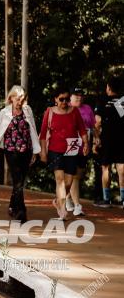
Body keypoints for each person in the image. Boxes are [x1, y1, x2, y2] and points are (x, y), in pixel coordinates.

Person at [0, 85, 40, 224]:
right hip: (11, 151)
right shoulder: (4, 112)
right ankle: (21, 211)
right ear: (11, 98)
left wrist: (35, 151)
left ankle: (12, 205)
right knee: (18, 180)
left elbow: (33, 131)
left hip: (26, 150)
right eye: (17, 99)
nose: (20, 102)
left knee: (20, 182)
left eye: (22, 99)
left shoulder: (27, 110)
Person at [39, 88, 89, 219]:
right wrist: (43, 151)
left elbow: (82, 129)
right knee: (60, 180)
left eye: (67, 99)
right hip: (55, 150)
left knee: (69, 181)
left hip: (72, 148)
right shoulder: (49, 112)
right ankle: (62, 211)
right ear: (55, 99)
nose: (65, 102)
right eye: (61, 99)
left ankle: (58, 200)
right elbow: (43, 134)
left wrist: (86, 143)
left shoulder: (74, 111)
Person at [94, 76, 124, 208]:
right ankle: (123, 199)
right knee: (121, 168)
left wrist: (96, 140)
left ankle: (106, 199)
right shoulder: (122, 101)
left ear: (108, 88)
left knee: (105, 167)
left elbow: (98, 121)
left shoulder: (102, 100)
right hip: (121, 139)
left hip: (106, 139)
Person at [67, 88, 96, 216]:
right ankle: (77, 205)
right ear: (70, 97)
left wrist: (96, 139)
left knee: (78, 175)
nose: (79, 98)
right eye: (76, 95)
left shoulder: (87, 108)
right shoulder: (66, 107)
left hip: (84, 145)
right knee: (73, 175)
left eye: (80, 95)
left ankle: (68, 197)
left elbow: (93, 126)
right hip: (71, 144)